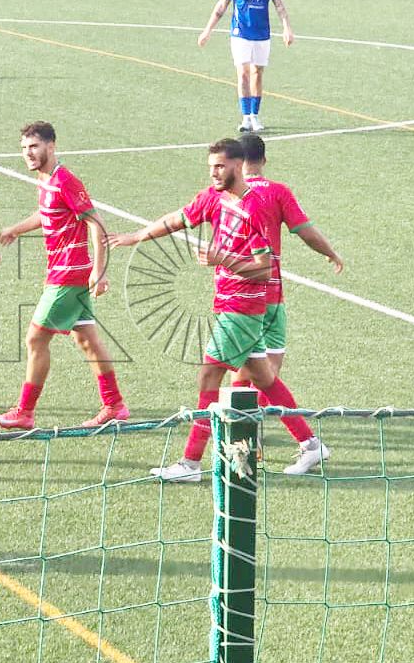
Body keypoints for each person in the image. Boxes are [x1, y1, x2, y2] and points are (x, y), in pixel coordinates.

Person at [108, 139, 328, 481]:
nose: (213, 172)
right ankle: (311, 443)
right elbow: (178, 219)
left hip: (243, 307)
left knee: (210, 375)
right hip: (228, 304)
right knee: (264, 378)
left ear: (238, 166)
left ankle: (191, 464)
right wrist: (138, 236)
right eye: (211, 166)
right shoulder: (212, 198)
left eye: (220, 166)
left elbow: (265, 267)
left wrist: (220, 258)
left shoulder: (253, 208)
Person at [0, 122, 129, 430]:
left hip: (68, 275)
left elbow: (95, 222)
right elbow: (46, 214)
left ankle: (25, 411)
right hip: (63, 271)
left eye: (34, 147)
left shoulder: (66, 181)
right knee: (87, 340)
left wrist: (99, 269)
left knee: (35, 338)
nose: (28, 154)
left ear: (51, 146)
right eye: (24, 148)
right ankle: (115, 405)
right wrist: (16, 228)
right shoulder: (46, 180)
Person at [238, 134, 344, 474]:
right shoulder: (277, 192)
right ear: (264, 160)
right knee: (264, 375)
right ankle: (257, 436)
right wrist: (331, 253)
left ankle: (252, 441)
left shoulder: (230, 195)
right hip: (274, 296)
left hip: (244, 295)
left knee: (251, 376)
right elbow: (305, 231)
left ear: (238, 161)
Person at [197, 0, 294, 134]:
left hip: (262, 34)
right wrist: (207, 30)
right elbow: (221, 7)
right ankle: (245, 118)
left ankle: (255, 115)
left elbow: (279, 6)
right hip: (240, 33)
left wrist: (286, 28)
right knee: (242, 73)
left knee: (257, 73)